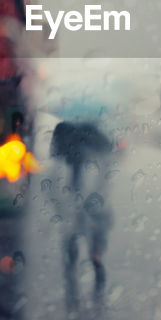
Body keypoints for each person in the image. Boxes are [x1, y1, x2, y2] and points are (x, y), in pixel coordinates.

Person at [51, 120, 114, 310]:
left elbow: (102, 188)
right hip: (82, 215)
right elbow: (55, 190)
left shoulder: (93, 160)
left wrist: (88, 206)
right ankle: (80, 295)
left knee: (93, 257)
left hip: (96, 216)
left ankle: (93, 296)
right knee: (79, 255)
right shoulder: (69, 162)